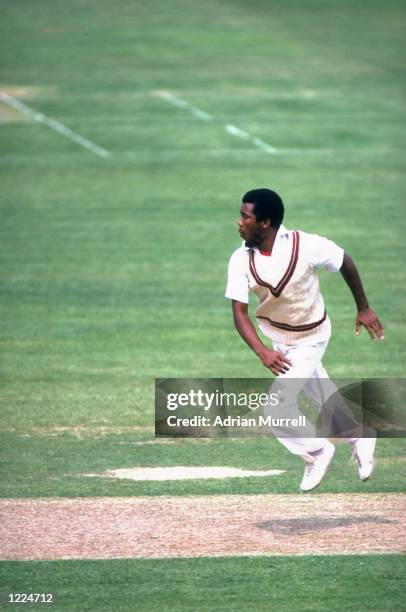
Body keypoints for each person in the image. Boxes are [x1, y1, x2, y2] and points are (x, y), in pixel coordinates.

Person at [225, 188, 384, 491]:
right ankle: (359, 434)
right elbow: (239, 313)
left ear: (265, 223)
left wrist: (363, 307)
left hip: (312, 337)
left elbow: (344, 261)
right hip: (279, 340)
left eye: (245, 217)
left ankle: (317, 451)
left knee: (276, 406)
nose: (239, 222)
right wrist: (262, 351)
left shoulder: (306, 245)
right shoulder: (240, 259)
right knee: (321, 393)